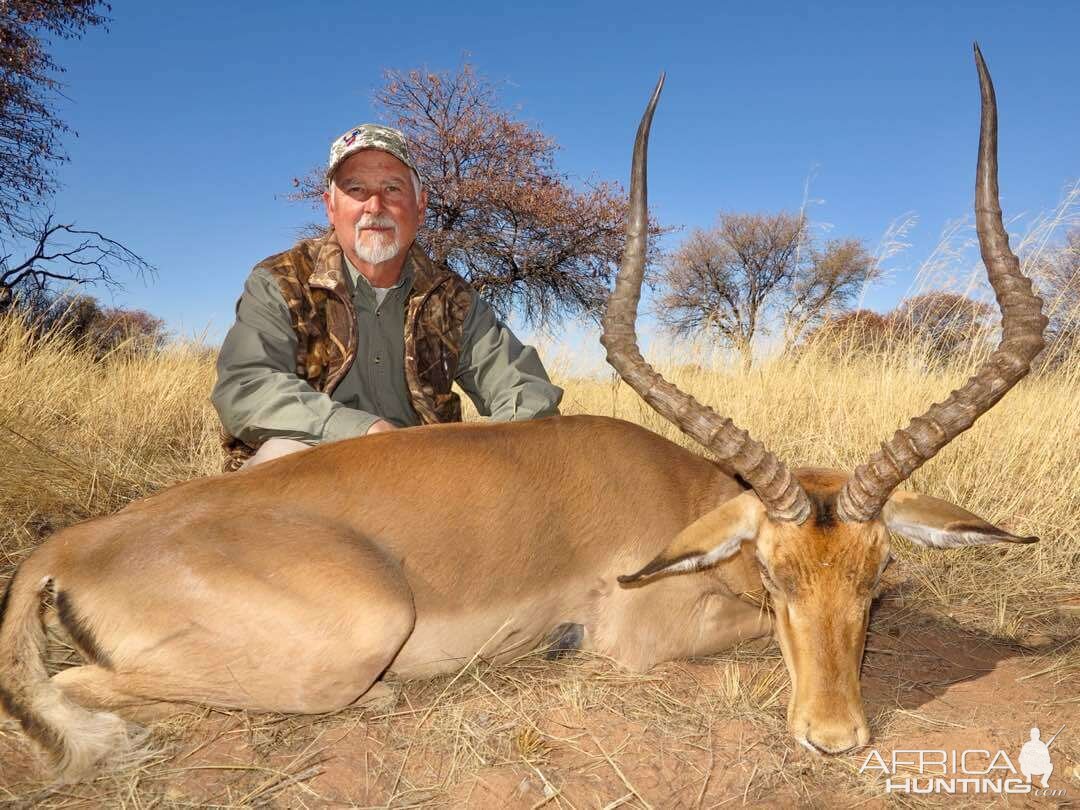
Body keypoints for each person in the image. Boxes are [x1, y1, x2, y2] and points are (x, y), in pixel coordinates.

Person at [213, 124, 563, 470]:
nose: (374, 205)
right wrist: (364, 432)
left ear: (421, 205)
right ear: (330, 207)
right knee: (280, 457)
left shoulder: (453, 298)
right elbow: (245, 385)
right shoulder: (279, 281)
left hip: (419, 475)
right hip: (315, 466)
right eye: (356, 189)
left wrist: (468, 451)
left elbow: (526, 391)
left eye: (393, 188)